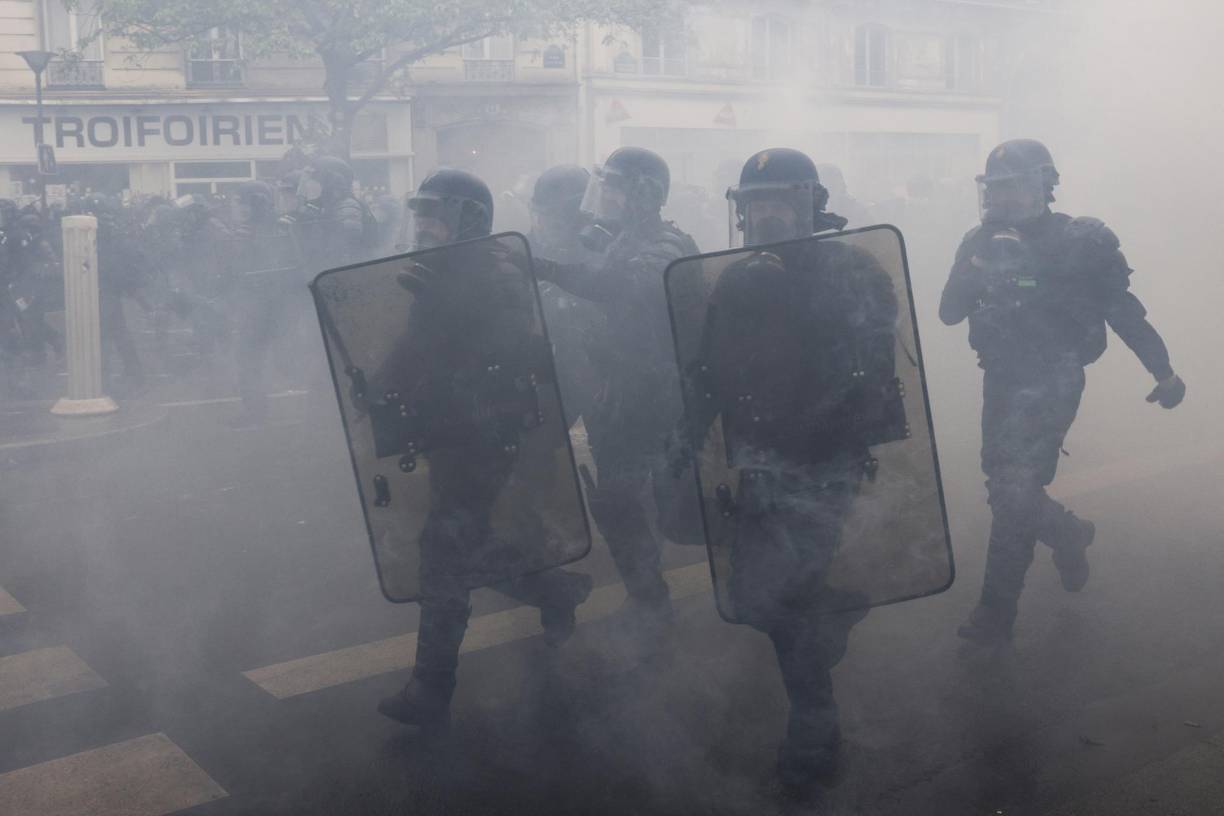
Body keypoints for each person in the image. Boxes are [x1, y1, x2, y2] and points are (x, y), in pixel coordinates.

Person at [673, 148, 902, 799]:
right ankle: (838, 609)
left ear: (810, 203)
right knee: (755, 596)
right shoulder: (740, 280)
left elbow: (873, 373)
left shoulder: (852, 272)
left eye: (778, 199)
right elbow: (709, 372)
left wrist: (824, 425)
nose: (764, 212)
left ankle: (814, 730)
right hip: (758, 460)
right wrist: (683, 443)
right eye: (754, 202)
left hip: (822, 462)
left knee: (789, 593)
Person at [940, 139, 1186, 646]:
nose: (1004, 198)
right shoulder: (979, 241)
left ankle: (995, 612)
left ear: (1043, 187)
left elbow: (1122, 310)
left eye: (1015, 186)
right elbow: (949, 311)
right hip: (1003, 375)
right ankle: (1069, 534)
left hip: (1056, 376)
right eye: (997, 188)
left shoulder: (1079, 240)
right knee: (1005, 486)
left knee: (1013, 491)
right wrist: (975, 269)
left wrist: (1163, 371)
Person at [374, 168, 593, 731]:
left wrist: (445, 308)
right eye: (419, 211)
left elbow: (504, 350)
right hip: (448, 429)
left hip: (484, 432)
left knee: (444, 550)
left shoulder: (494, 274)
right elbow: (418, 345)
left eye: (435, 213)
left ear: (468, 219)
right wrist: (379, 387)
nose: (423, 223)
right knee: (462, 546)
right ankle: (554, 587)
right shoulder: (439, 270)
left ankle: (431, 687)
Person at [535, 147, 701, 636]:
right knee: (618, 502)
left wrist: (548, 266)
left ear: (644, 194)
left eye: (612, 186)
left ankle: (656, 604)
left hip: (657, 394)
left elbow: (628, 286)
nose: (601, 196)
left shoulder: (665, 243)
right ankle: (647, 598)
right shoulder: (616, 239)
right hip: (616, 392)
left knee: (649, 501)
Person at [526, 164, 604, 428]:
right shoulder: (527, 249)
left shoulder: (603, 253)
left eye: (552, 216)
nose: (543, 224)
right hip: (549, 372)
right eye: (540, 214)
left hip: (600, 371)